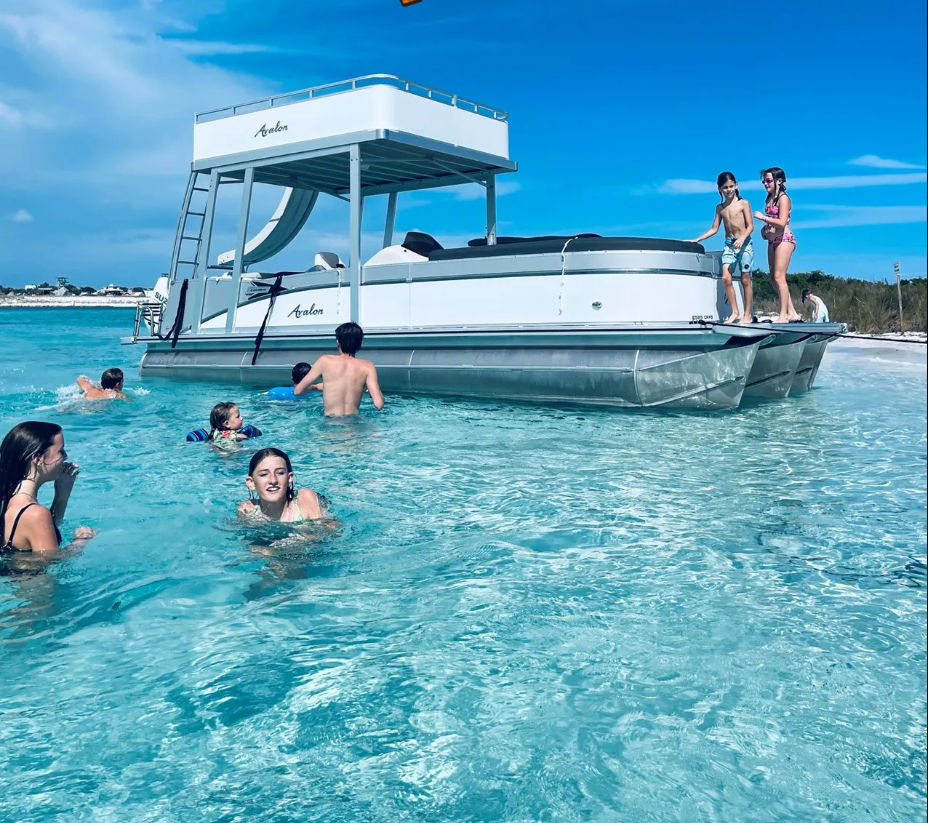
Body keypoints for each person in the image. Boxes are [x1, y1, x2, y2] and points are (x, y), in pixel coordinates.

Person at [1, 421, 95, 554]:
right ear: (38, 459)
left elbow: (37, 535)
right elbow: (51, 566)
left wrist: (61, 497)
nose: (66, 456)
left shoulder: (7, 499)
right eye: (60, 451)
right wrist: (80, 542)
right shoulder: (36, 514)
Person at [691, 172, 755, 324]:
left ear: (736, 185)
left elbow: (750, 226)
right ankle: (735, 312)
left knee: (746, 280)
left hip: (744, 244)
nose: (729, 190)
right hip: (729, 245)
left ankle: (747, 314)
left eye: (731, 186)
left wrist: (742, 238)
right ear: (719, 189)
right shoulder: (720, 208)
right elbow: (714, 228)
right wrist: (698, 239)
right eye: (725, 187)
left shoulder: (743, 203)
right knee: (726, 278)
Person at [294, 322, 384, 416]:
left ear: (338, 342)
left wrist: (315, 387)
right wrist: (373, 392)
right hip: (353, 425)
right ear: (360, 344)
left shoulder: (325, 360)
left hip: (331, 424)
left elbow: (298, 391)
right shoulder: (368, 366)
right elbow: (379, 404)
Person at [754, 167, 801, 323]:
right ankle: (792, 312)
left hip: (784, 238)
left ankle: (783, 316)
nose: (765, 184)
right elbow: (771, 222)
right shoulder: (768, 199)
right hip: (772, 240)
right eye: (764, 181)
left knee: (779, 277)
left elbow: (781, 222)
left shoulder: (784, 199)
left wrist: (763, 218)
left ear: (779, 181)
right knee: (773, 279)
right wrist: (764, 230)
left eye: (768, 180)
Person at [238, 448, 330, 523]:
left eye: (280, 473)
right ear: (251, 483)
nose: (273, 480)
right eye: (264, 474)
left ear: (290, 478)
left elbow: (331, 530)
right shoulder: (248, 511)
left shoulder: (305, 499)